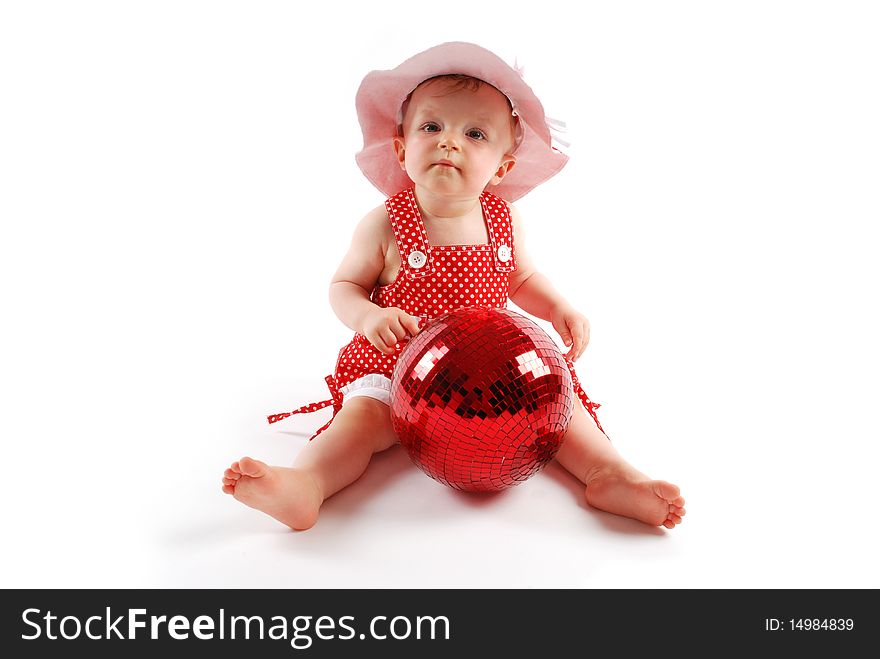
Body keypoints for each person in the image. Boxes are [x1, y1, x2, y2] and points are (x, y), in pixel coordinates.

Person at [221, 42, 685, 531]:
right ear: (401, 148)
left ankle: (609, 474)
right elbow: (343, 286)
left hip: (494, 372)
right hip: (399, 362)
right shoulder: (386, 223)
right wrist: (369, 316)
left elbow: (522, 279)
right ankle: (306, 485)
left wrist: (558, 307)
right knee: (359, 423)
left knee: (560, 409)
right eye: (431, 127)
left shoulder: (502, 219)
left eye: (476, 133)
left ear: (502, 167)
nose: (449, 142)